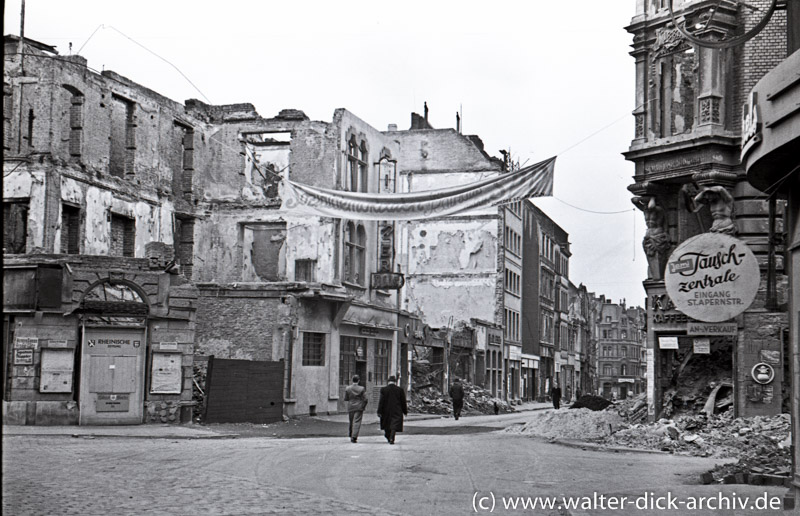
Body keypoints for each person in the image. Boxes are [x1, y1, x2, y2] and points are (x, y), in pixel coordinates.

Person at [377, 376, 407, 445]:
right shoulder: (399, 390)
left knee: (386, 424)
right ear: (395, 381)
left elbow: (381, 401)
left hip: (386, 410)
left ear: (388, 381)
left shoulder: (383, 389)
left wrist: (379, 411)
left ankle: (388, 436)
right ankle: (392, 437)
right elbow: (403, 401)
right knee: (394, 424)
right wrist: (404, 411)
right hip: (396, 409)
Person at [344, 375, 367, 443]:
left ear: (352, 380)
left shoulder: (348, 388)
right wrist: (363, 406)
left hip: (351, 406)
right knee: (357, 421)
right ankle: (354, 436)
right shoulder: (362, 388)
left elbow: (346, 398)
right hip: (359, 406)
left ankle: (351, 434)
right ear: (358, 380)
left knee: (351, 421)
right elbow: (365, 399)